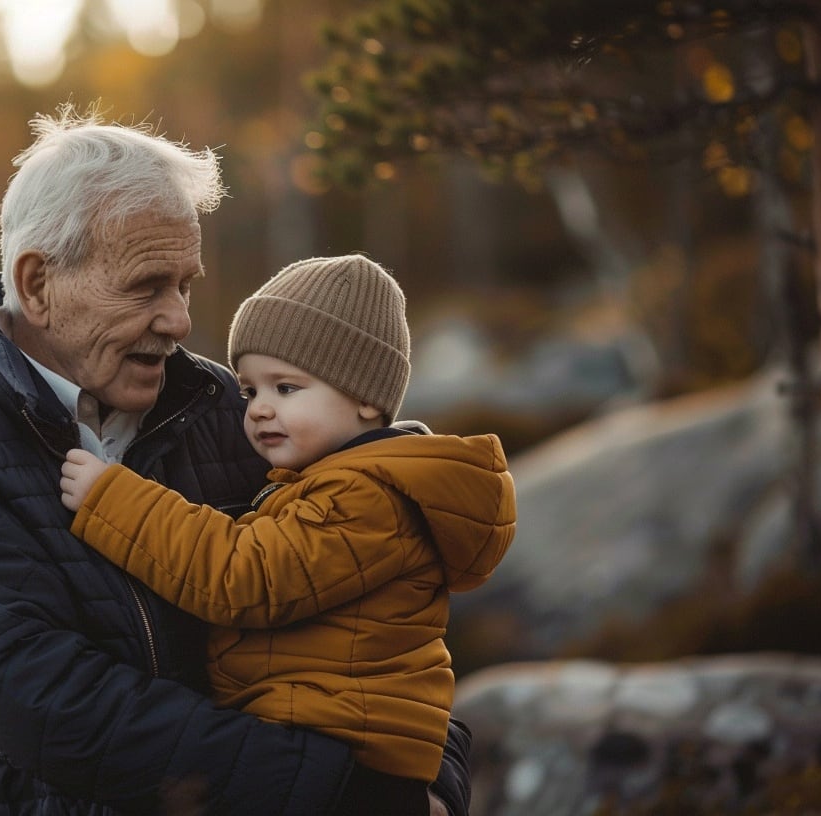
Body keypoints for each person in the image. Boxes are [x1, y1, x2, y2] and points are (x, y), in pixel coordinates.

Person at [0, 105, 475, 815]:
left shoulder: (228, 408)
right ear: (36, 284)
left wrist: (435, 775)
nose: (179, 321)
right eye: (146, 286)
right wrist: (344, 795)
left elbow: (384, 605)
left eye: (185, 284)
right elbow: (44, 700)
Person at [59, 254, 516, 816]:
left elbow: (241, 576)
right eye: (250, 391)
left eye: (286, 387)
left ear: (366, 397)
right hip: (317, 744)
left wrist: (114, 500)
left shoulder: (364, 500)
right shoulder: (327, 483)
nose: (258, 410)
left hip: (345, 759)